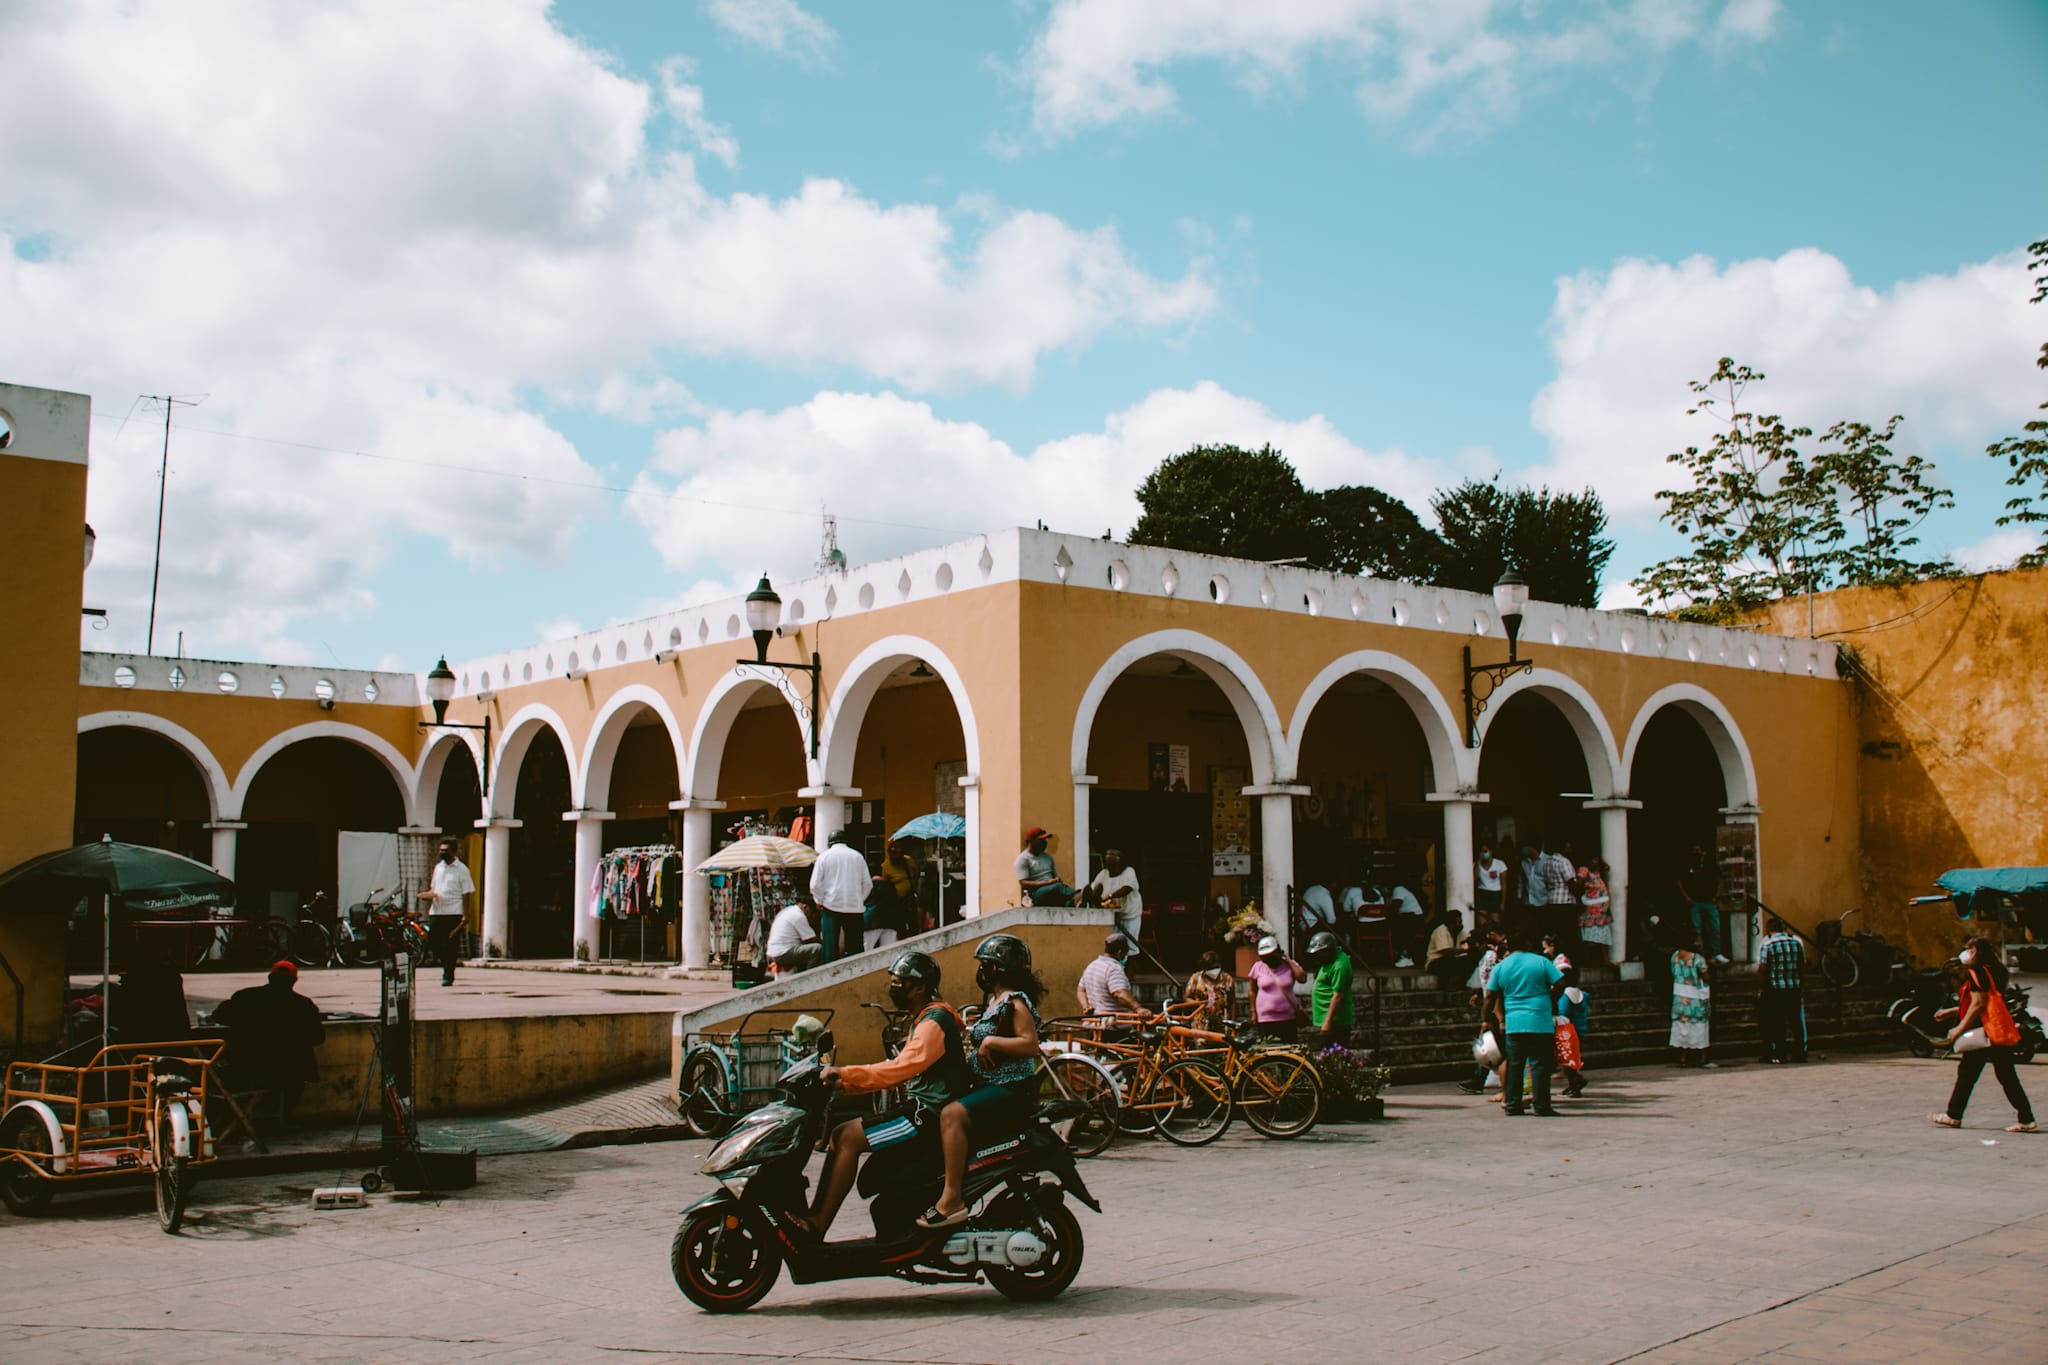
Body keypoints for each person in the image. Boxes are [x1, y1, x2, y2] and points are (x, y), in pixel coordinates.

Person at [795, 950, 972, 1237]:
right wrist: (846, 1084)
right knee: (839, 1134)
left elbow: (899, 1069)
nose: (894, 988)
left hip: (927, 1115)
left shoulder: (934, 1022)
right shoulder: (925, 1017)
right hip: (919, 1109)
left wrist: (845, 1074)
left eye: (899, 982)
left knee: (849, 1137)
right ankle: (816, 1216)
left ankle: (818, 1223)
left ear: (919, 987)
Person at [924, 934, 1045, 1228]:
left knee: (952, 1115)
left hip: (1011, 1090)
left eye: (987, 965)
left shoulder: (1016, 1002)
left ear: (1002, 968)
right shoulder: (994, 1001)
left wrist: (990, 1041)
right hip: (989, 1085)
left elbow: (1030, 1044)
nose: (982, 971)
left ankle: (952, 1199)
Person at [1930, 936, 2036, 1133]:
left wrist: (1958, 1028)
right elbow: (1989, 1002)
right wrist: (1953, 1012)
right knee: (2005, 1075)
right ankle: (2026, 1118)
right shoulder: (1998, 970)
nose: (1964, 954)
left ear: (1975, 952)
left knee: (1968, 1074)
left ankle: (1953, 1115)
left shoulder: (1977, 971)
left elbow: (1979, 1004)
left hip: (1982, 1032)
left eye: (1968, 950)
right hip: (1995, 1030)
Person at [212, 961, 325, 1129]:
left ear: (270, 977)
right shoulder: (303, 1005)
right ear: (294, 981)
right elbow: (317, 1038)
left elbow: (219, 1016)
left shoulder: (246, 997)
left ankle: (240, 1119)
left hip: (247, 1064)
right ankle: (283, 1117)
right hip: (287, 1069)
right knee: (299, 1071)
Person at [1487, 930, 1565, 1117]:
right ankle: (1542, 1105)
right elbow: (1561, 982)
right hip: (1540, 1020)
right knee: (1540, 1064)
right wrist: (1550, 999)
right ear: (1528, 944)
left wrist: (1485, 1018)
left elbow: (1490, 995)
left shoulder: (1501, 966)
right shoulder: (1541, 962)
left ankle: (1513, 1104)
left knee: (1515, 1064)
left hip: (1514, 1022)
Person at [416, 837, 475, 987]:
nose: (443, 853)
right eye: (441, 850)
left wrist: (466, 915)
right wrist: (426, 895)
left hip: (454, 911)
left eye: (446, 851)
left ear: (454, 851)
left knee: (451, 945)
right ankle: (442, 962)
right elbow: (434, 889)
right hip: (436, 911)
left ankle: (448, 974)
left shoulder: (462, 870)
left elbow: (467, 892)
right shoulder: (438, 868)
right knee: (433, 941)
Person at [810, 832, 872, 962]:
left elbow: (815, 885)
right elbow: (868, 884)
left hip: (830, 907)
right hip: (854, 908)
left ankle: (831, 977)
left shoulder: (824, 857)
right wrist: (859, 900)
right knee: (856, 948)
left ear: (829, 843)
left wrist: (820, 901)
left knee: (830, 949)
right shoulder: (857, 856)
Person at [1754, 916, 1808, 1063]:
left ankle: (1780, 1053)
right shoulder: (1796, 942)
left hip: (1776, 988)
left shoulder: (1768, 944)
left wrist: (1760, 987)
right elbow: (1802, 965)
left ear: (1768, 929)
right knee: (1796, 1021)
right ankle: (1800, 1052)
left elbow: (1763, 968)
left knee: (1778, 1021)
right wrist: (1801, 983)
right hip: (1793, 986)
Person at [1247, 935, 1305, 1043]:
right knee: (1268, 1050)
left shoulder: (1289, 966)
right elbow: (1252, 991)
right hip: (1265, 1018)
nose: (1268, 959)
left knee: (1289, 1051)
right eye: (1264, 957)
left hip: (1288, 1017)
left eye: (1271, 955)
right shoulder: (1258, 967)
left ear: (1278, 952)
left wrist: (1288, 960)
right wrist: (1253, 1012)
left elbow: (1302, 978)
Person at [1677, 843, 1728, 964]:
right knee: (1696, 929)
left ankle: (1716, 953)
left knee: (1714, 928)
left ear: (1704, 852)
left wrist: (1717, 896)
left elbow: (1721, 880)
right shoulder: (1688, 864)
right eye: (1694, 850)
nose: (1696, 853)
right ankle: (1701, 954)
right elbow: (1679, 881)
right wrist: (1687, 897)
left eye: (1698, 850)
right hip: (1695, 902)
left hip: (1710, 901)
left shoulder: (1710, 865)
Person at [866, 838, 920, 950]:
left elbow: (916, 874)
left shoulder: (908, 861)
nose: (894, 855)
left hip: (910, 898)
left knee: (914, 926)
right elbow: (883, 884)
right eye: (892, 853)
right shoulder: (886, 866)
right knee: (900, 929)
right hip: (897, 901)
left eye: (897, 853)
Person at [1670, 936, 1713, 1067]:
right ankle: (1702, 1058)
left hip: (1679, 995)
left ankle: (1683, 1058)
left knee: (1682, 1025)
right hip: (1696, 996)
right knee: (1700, 1026)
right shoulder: (1698, 959)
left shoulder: (1675, 956)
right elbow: (1705, 976)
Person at [1305, 931, 1353, 1048]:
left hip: (1335, 1021)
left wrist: (1327, 1022)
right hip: (1328, 1018)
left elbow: (1338, 996)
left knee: (1335, 1057)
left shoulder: (1339, 966)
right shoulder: (1329, 961)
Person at [1086, 847, 1143, 944]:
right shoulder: (1104, 873)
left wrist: (1109, 896)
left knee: (1130, 946)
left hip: (1130, 915)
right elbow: (1093, 888)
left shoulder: (1129, 872)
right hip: (1114, 916)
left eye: (1113, 865)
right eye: (1108, 865)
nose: (1110, 868)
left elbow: (1126, 889)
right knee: (1114, 945)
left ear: (1120, 864)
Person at [1077, 933, 1144, 1017]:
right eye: (1125, 953)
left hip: (1095, 1021)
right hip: (1114, 1024)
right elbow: (1119, 993)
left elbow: (1081, 990)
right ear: (1120, 952)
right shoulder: (1114, 969)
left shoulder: (1092, 966)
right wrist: (1138, 1008)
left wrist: (1085, 1006)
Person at [1015, 827, 1076, 906]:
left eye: (1045, 840)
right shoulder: (1023, 859)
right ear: (1031, 841)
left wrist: (1057, 880)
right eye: (1041, 840)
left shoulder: (1048, 857)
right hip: (1036, 894)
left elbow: (1055, 877)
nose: (1044, 843)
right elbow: (1024, 883)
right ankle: (1079, 894)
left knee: (1068, 903)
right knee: (1058, 887)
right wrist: (1047, 883)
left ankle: (1079, 900)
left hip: (1052, 890)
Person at [766, 894, 823, 973]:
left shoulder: (788, 910)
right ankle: (810, 977)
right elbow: (811, 939)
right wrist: (827, 945)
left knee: (807, 950)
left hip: (777, 951)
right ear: (805, 907)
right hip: (783, 953)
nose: (810, 915)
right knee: (817, 949)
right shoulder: (799, 916)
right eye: (811, 912)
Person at [1555, 967, 1589, 1098]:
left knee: (1566, 1059)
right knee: (1572, 1059)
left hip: (1566, 1030)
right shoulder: (1582, 994)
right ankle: (1574, 1083)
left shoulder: (1565, 995)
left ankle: (1575, 1083)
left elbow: (1562, 1013)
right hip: (1580, 1029)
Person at [1183, 950, 1236, 1031]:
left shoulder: (1227, 979)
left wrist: (1233, 1022)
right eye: (1211, 968)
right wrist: (1199, 1004)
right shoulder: (1196, 979)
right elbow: (1186, 997)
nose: (1214, 971)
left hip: (1222, 1022)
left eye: (1216, 967)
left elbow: (1232, 1002)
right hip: (1201, 1022)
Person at [1576, 858, 1613, 965]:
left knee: (1603, 938)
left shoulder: (1598, 873)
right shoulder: (1584, 871)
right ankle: (1590, 961)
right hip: (1590, 910)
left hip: (1601, 910)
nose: (1595, 862)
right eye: (1593, 859)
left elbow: (1607, 868)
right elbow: (1578, 884)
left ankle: (1605, 961)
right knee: (1590, 938)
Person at [1387, 883, 1426, 966]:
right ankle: (1404, 955)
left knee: (1396, 927)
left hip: (1413, 918)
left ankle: (1405, 956)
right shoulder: (1399, 890)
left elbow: (1395, 908)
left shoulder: (1398, 888)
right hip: (1410, 917)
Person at [1475, 841, 1507, 925]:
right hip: (1482, 893)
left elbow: (1504, 884)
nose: (1483, 853)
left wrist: (1502, 902)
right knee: (1482, 923)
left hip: (1495, 895)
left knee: (1495, 922)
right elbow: (1475, 878)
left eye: (1485, 851)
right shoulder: (1477, 864)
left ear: (1491, 852)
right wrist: (1478, 863)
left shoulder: (1499, 864)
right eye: (1481, 851)